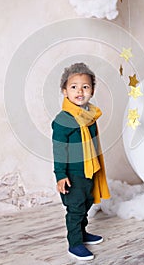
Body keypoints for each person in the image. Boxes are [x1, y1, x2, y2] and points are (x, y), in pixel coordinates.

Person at [52, 62, 110, 261]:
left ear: (92, 90)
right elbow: (59, 150)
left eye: (85, 86)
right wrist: (60, 176)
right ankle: (74, 243)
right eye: (74, 86)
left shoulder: (89, 116)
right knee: (75, 208)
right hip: (73, 174)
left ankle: (82, 233)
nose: (80, 91)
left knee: (86, 204)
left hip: (89, 169)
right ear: (65, 91)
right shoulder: (64, 119)